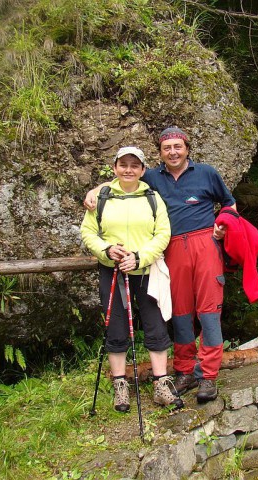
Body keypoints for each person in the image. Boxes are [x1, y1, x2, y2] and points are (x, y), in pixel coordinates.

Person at [85, 128, 236, 403]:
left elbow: (230, 204)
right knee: (179, 312)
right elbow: (124, 178)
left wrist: (225, 225)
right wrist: (94, 191)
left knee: (209, 311)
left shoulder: (207, 173)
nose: (173, 152)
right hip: (172, 249)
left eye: (178, 146)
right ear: (160, 153)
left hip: (205, 244)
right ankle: (185, 372)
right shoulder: (152, 176)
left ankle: (208, 376)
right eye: (167, 148)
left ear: (187, 148)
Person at [80, 146, 183, 412]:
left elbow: (163, 233)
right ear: (114, 168)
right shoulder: (101, 197)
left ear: (143, 170)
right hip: (111, 270)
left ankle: (161, 383)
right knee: (115, 325)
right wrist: (106, 250)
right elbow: (89, 232)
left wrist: (140, 257)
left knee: (155, 324)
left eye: (134, 165)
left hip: (146, 270)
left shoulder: (152, 197)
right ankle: (120, 385)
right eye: (123, 165)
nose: (128, 170)